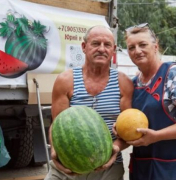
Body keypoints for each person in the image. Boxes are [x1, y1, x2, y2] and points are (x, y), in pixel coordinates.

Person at [44, 25, 133, 180]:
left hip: (108, 168)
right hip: (69, 166)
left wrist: (115, 148)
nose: (101, 49)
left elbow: (128, 131)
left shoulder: (123, 83)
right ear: (84, 47)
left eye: (107, 45)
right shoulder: (66, 80)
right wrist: (54, 150)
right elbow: (56, 124)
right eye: (96, 43)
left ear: (113, 50)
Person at [123, 23, 176, 180]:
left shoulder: (175, 75)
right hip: (143, 167)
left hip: (175, 167)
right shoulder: (133, 84)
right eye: (131, 47)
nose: (137, 51)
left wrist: (156, 136)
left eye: (143, 44)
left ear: (156, 46)